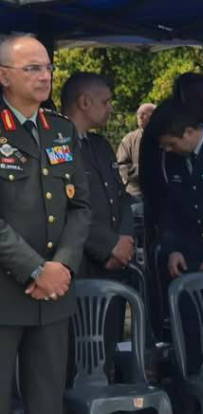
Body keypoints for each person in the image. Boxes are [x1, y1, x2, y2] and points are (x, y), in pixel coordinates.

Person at [0, 35, 90, 414]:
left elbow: (80, 206)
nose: (44, 76)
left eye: (48, 67)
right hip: (5, 292)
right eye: (31, 68)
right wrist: (35, 269)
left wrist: (62, 267)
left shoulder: (60, 130)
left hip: (54, 294)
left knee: (47, 405)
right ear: (3, 76)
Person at [61, 73, 136, 281]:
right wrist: (108, 246)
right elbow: (62, 207)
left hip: (115, 263)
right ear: (84, 102)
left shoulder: (100, 145)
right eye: (105, 102)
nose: (110, 108)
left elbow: (121, 197)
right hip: (80, 263)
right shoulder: (56, 146)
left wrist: (124, 240)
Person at [148, 103, 203, 283]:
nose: (168, 150)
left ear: (188, 132)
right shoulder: (171, 158)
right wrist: (173, 249)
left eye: (171, 144)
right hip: (191, 258)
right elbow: (171, 208)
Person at [117, 101, 155, 198]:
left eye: (144, 114)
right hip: (136, 193)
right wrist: (142, 170)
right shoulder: (129, 139)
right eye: (138, 114)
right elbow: (121, 165)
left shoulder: (165, 137)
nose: (140, 117)